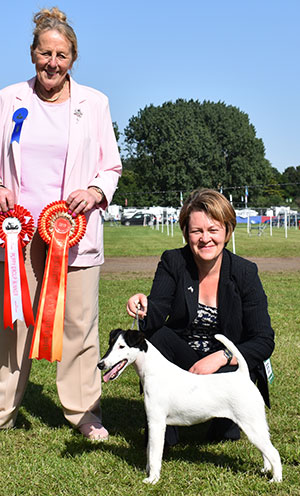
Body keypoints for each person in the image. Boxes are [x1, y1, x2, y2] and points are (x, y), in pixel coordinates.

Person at [0, 7, 122, 440]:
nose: (52, 62)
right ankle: (3, 408)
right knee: (14, 326)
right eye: (45, 52)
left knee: (80, 328)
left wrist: (94, 193)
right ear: (32, 53)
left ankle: (84, 412)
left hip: (76, 235)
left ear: (73, 58)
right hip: (19, 236)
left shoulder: (95, 103)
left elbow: (111, 167)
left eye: (62, 55)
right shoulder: (8, 98)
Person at [127, 188, 274, 445]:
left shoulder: (245, 272)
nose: (205, 239)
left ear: (227, 231)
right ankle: (164, 431)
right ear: (186, 233)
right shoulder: (173, 261)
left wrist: (220, 357)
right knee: (156, 337)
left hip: (226, 367)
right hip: (184, 360)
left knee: (223, 437)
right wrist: (145, 306)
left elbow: (263, 339)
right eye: (197, 231)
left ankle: (223, 422)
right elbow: (158, 310)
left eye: (213, 230)